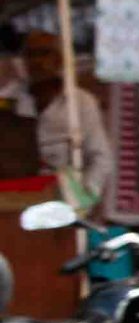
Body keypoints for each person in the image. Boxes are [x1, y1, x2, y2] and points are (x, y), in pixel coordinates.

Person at [21, 30, 114, 210]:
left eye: (44, 53)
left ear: (60, 59)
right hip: (19, 198)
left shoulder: (81, 102)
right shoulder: (11, 99)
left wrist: (84, 197)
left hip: (65, 198)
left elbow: (101, 157)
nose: (36, 61)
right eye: (30, 55)